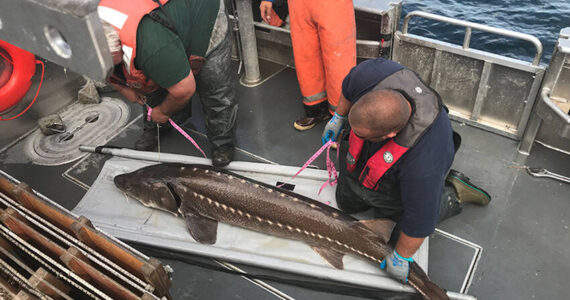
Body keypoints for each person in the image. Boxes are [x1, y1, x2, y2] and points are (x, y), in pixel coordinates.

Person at [322, 58, 491, 283]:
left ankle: (451, 194)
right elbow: (349, 85)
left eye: (361, 134)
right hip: (383, 161)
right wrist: (339, 117)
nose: (354, 133)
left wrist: (402, 257)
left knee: (396, 236)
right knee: (346, 204)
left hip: (416, 174)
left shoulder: (424, 159)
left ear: (389, 136)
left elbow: (419, 220)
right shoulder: (371, 74)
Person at [98, 0, 237, 167]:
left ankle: (222, 143)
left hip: (203, 13)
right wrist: (122, 88)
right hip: (162, 22)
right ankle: (158, 126)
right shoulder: (87, 28)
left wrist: (163, 112)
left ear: (118, 47)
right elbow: (101, 66)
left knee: (214, 86)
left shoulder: (150, 47)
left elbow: (184, 90)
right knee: (148, 79)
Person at [259, 0, 356, 131]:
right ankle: (315, 109)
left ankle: (341, 117)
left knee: (338, 59)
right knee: (305, 56)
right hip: (299, 6)